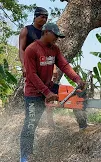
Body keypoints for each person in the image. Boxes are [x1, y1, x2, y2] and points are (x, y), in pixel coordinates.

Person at [19, 23, 86, 162]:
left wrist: (77, 78)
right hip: (34, 93)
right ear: (46, 32)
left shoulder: (54, 49)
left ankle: (84, 128)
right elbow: (31, 74)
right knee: (30, 125)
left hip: (49, 87)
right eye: (55, 35)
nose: (57, 38)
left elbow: (64, 65)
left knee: (78, 95)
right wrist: (47, 93)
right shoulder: (31, 50)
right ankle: (25, 157)